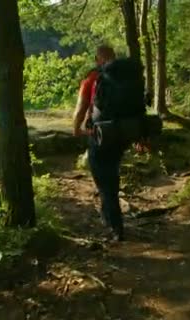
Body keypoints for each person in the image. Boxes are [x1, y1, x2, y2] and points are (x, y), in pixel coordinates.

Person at [73, 45, 148, 242]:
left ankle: (115, 226)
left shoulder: (93, 78)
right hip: (124, 133)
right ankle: (110, 215)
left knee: (103, 179)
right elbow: (137, 106)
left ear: (98, 59)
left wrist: (75, 129)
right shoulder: (128, 77)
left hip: (101, 135)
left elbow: (81, 108)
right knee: (111, 172)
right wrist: (139, 136)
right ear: (113, 57)